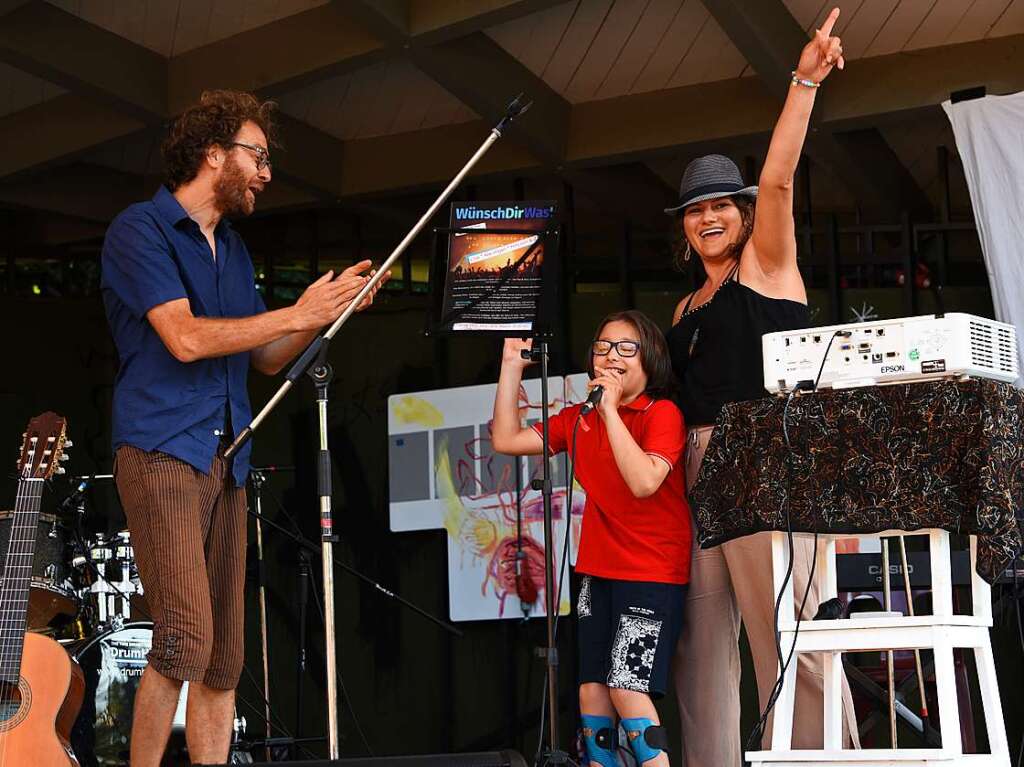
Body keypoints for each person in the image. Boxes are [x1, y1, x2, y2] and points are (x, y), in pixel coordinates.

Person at [100, 90, 387, 766]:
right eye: (256, 156)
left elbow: (260, 356)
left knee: (224, 658)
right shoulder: (138, 229)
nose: (265, 172)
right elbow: (186, 338)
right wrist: (296, 311)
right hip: (162, 449)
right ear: (212, 154)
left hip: (225, 455)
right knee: (182, 642)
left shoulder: (231, 249)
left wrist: (323, 311)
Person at [664, 8, 859, 765]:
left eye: (720, 205)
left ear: (742, 215)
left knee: (786, 626)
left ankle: (818, 757)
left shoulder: (767, 264)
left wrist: (804, 79)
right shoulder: (683, 308)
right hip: (694, 464)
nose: (707, 217)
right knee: (701, 640)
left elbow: (778, 176)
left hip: (765, 450)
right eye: (694, 210)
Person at [492, 311, 691, 767]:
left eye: (626, 347)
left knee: (626, 683)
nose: (611, 356)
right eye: (603, 346)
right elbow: (505, 438)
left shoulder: (662, 413)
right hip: (596, 570)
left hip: (651, 573)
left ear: (651, 358)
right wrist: (510, 366)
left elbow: (644, 481)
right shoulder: (577, 419)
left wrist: (609, 410)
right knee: (592, 690)